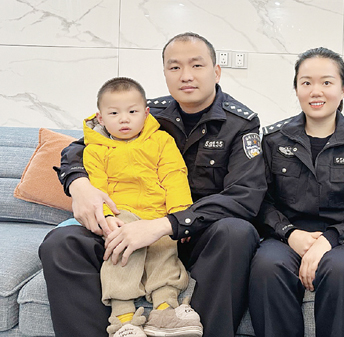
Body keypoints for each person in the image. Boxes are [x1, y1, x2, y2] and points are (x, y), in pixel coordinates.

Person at [39, 33, 267, 337]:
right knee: (60, 243)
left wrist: (167, 225)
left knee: (237, 232)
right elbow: (79, 148)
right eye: (174, 67)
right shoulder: (143, 112)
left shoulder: (240, 123)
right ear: (165, 73)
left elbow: (244, 196)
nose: (186, 75)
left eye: (196, 65)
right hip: (127, 226)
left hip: (199, 235)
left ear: (216, 71)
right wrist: (78, 184)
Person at [249, 47, 344, 337]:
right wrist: (290, 233)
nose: (316, 91)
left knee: (343, 271)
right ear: (296, 89)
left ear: (343, 89)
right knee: (267, 266)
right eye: (306, 82)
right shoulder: (274, 140)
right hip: (286, 237)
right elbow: (259, 200)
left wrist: (329, 240)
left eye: (327, 82)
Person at [82, 76, 201, 337]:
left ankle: (166, 310)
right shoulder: (94, 150)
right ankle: (123, 319)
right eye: (114, 113)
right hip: (120, 213)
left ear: (146, 113)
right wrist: (106, 217)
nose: (124, 119)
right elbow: (97, 188)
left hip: (157, 214)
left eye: (132, 112)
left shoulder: (161, 141)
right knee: (120, 249)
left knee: (164, 250)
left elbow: (174, 176)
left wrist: (181, 215)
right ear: (100, 118)